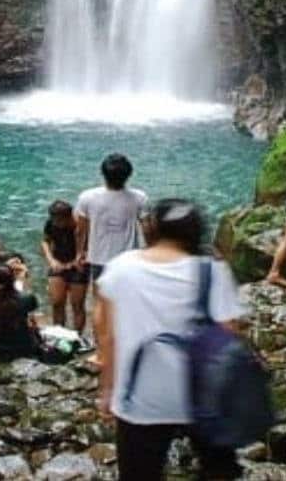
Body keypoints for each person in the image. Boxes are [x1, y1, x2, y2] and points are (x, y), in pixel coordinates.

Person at [94, 198, 245, 481]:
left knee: (139, 473)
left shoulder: (120, 268)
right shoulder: (211, 271)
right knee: (219, 469)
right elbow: (229, 333)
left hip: (140, 396)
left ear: (153, 228)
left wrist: (108, 390)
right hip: (202, 394)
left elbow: (107, 335)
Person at [75, 154, 149, 289]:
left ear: (103, 173)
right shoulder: (140, 197)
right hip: (129, 259)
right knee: (128, 299)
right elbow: (147, 228)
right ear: (129, 175)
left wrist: (80, 253)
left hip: (99, 257)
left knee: (101, 301)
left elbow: (81, 230)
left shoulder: (87, 197)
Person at [42, 199, 88, 332]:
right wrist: (51, 260)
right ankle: (59, 334)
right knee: (57, 302)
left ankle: (77, 336)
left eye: (59, 221)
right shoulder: (50, 224)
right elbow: (45, 241)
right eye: (54, 220)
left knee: (77, 305)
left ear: (68, 217)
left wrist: (80, 260)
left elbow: (91, 247)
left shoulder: (81, 225)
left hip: (78, 266)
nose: (56, 224)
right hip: (58, 263)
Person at [0, 265, 41, 362]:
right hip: (18, 349)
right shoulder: (26, 299)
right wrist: (24, 278)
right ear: (12, 281)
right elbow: (28, 299)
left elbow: (0, 287)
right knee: (31, 320)